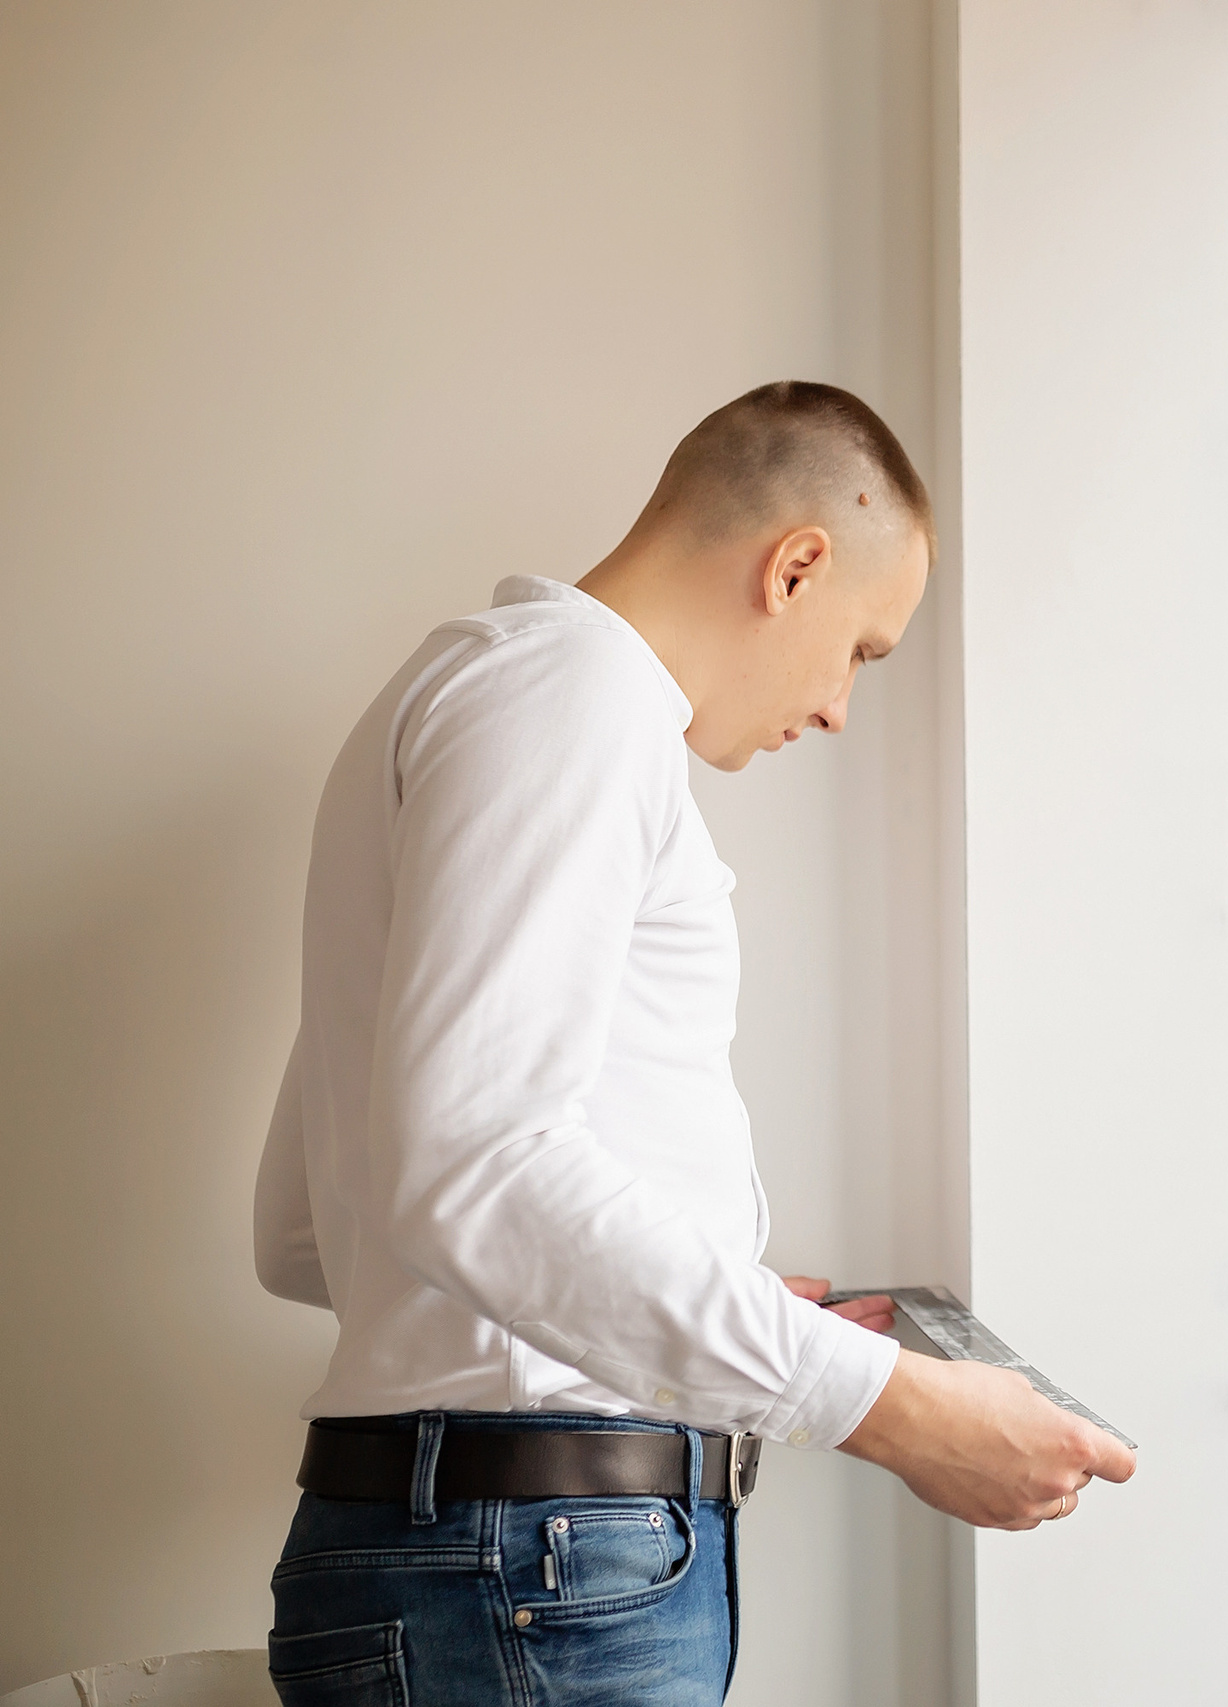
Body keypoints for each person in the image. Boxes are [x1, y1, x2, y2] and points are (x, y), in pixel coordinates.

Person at [250, 382, 1133, 1706]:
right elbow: (475, 1172)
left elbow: (315, 1231)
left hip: (496, 1563)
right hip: (541, 1570)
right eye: (864, 651)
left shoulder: (476, 701)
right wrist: (888, 1404)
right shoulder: (572, 697)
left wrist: (728, 1291)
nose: (838, 708)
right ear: (797, 565)